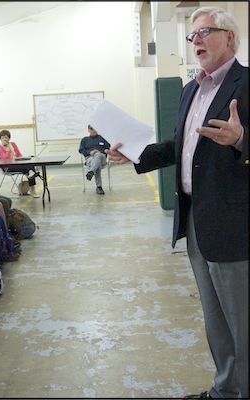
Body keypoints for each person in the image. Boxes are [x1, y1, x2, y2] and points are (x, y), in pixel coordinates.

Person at [107, 7, 248, 399]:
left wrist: (240, 139)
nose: (196, 40)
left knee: (244, 324)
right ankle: (226, 390)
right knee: (216, 321)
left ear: (229, 37)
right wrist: (137, 155)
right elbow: (179, 147)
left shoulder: (246, 85)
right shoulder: (191, 90)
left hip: (235, 228)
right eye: (193, 36)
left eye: (205, 32)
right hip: (195, 224)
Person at [0, 130, 41, 198]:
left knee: (29, 164)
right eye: (2, 138)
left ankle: (31, 175)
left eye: (6, 137)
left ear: (9, 138)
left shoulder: (13, 144)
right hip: (8, 167)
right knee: (29, 168)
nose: (4, 139)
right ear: (0, 139)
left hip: (17, 163)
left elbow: (19, 155)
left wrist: (23, 159)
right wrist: (8, 149)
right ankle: (31, 180)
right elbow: (5, 159)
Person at [78, 125, 110, 195]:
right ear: (88, 130)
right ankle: (99, 187)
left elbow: (108, 148)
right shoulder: (84, 140)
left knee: (97, 156)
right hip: (90, 159)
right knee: (96, 163)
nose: (94, 130)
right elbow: (81, 150)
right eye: (92, 129)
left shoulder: (103, 138)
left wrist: (98, 152)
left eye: (95, 129)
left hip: (102, 159)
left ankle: (91, 171)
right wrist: (90, 152)